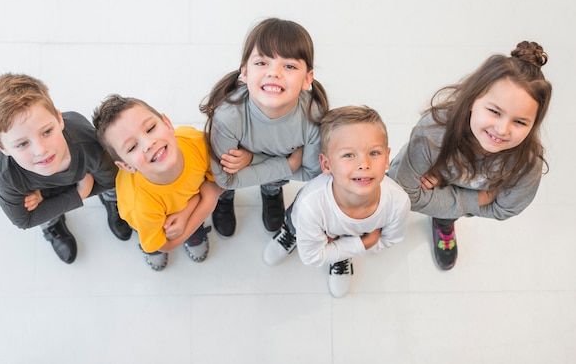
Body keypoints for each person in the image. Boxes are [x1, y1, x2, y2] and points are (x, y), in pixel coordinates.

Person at [388, 41, 553, 270]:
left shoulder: (528, 163)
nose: (502, 129)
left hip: (440, 194)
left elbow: (505, 209)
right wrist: (483, 197)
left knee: (446, 213)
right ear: (472, 99)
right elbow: (405, 193)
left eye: (519, 121)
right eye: (494, 111)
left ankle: (444, 223)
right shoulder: (432, 134)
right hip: (437, 188)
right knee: (392, 202)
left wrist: (445, 189)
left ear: (534, 124)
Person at [199, 17, 329, 247]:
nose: (274, 73)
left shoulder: (313, 118)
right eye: (262, 63)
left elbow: (311, 174)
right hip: (232, 179)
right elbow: (224, 176)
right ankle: (225, 199)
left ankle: (271, 191)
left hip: (273, 174)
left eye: (289, 66)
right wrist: (287, 165)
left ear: (307, 79)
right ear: (245, 72)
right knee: (226, 186)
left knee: (274, 180)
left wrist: (252, 159)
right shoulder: (228, 116)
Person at [0, 73, 132, 264]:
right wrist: (80, 193)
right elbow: (24, 220)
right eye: (22, 144)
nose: (41, 150)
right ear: (3, 147)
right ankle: (52, 222)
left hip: (86, 176)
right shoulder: (7, 176)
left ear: (59, 119)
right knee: (41, 211)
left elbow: (109, 180)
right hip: (76, 184)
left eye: (47, 132)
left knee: (113, 184)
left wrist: (45, 198)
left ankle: (110, 200)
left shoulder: (88, 144)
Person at [271, 106, 410, 297]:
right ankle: (291, 234)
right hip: (306, 221)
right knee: (295, 225)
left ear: (387, 159)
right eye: (349, 155)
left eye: (374, 153)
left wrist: (347, 247)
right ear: (326, 164)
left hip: (345, 235)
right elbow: (311, 257)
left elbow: (390, 239)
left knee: (335, 248)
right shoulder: (310, 205)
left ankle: (339, 257)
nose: (364, 164)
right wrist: (365, 242)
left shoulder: (398, 202)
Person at [93, 94, 222, 271]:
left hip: (184, 203)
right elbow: (164, 245)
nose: (148, 143)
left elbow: (223, 179)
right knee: (154, 244)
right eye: (132, 147)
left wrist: (188, 213)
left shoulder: (196, 141)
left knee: (183, 222)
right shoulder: (141, 206)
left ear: (168, 124)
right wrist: (208, 197)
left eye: (151, 128)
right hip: (150, 221)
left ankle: (193, 226)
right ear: (126, 166)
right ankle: (156, 240)